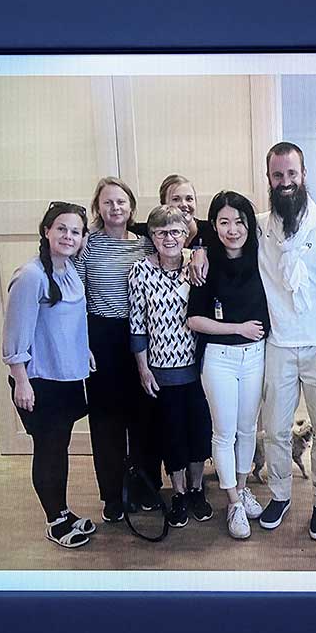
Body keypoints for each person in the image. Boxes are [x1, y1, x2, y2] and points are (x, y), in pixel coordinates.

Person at [256, 142, 316, 540]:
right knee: (275, 430)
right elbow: (217, 232)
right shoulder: (259, 226)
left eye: (291, 174)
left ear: (304, 174)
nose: (285, 182)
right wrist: (197, 253)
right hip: (278, 345)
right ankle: (279, 495)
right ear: (269, 179)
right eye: (277, 175)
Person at [2, 201, 96, 548]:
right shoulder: (31, 276)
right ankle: (54, 521)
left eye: (76, 231)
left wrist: (83, 350)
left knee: (59, 448)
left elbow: (69, 321)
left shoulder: (68, 269)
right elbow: (15, 334)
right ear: (47, 231)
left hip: (66, 377)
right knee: (48, 450)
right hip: (39, 381)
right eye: (62, 229)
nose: (68, 236)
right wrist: (21, 381)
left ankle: (63, 511)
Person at [71, 176, 160, 524]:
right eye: (107, 202)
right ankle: (112, 495)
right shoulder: (87, 244)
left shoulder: (146, 244)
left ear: (131, 206)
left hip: (142, 337)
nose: (115, 208)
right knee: (107, 422)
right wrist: (81, 343)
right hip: (102, 337)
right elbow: (74, 296)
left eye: (121, 201)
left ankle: (145, 487)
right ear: (98, 207)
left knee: (144, 417)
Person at [186, 190, 270, 539]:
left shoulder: (261, 256)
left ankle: (243, 486)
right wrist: (238, 328)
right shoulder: (206, 264)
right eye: (223, 222)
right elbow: (194, 319)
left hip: (255, 357)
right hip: (219, 358)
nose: (232, 229)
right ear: (214, 225)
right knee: (224, 432)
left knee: (248, 429)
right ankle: (233, 500)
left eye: (239, 221)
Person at [129, 205, 214, 528]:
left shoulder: (197, 264)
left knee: (199, 435)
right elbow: (137, 324)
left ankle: (197, 490)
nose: (169, 238)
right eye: (161, 232)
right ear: (151, 236)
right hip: (161, 371)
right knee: (172, 436)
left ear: (185, 234)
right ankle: (178, 493)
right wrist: (143, 369)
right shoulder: (140, 271)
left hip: (199, 369)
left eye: (176, 231)